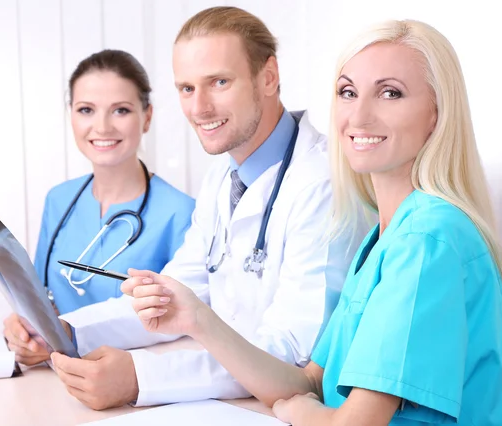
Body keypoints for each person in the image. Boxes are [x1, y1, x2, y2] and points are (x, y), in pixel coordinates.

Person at [125, 19, 502, 425]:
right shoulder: (384, 238)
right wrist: (198, 321)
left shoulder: (427, 239)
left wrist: (302, 412)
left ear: (437, 113)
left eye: (390, 93)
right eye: (348, 93)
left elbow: (345, 420)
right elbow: (308, 382)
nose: (360, 116)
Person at [48, 6, 365, 411]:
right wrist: (68, 332)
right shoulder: (221, 177)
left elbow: (293, 354)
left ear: (268, 77)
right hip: (237, 402)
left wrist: (139, 378)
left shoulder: (323, 183)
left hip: (287, 408)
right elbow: (172, 295)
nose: (199, 108)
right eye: (186, 88)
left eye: (218, 82)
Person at [3, 49, 195, 366]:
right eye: (86, 110)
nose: (102, 127)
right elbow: (38, 300)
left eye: (120, 110)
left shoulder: (182, 214)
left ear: (147, 117)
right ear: (71, 115)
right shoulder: (59, 200)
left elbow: (183, 324)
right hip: (55, 374)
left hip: (133, 385)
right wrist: (22, 327)